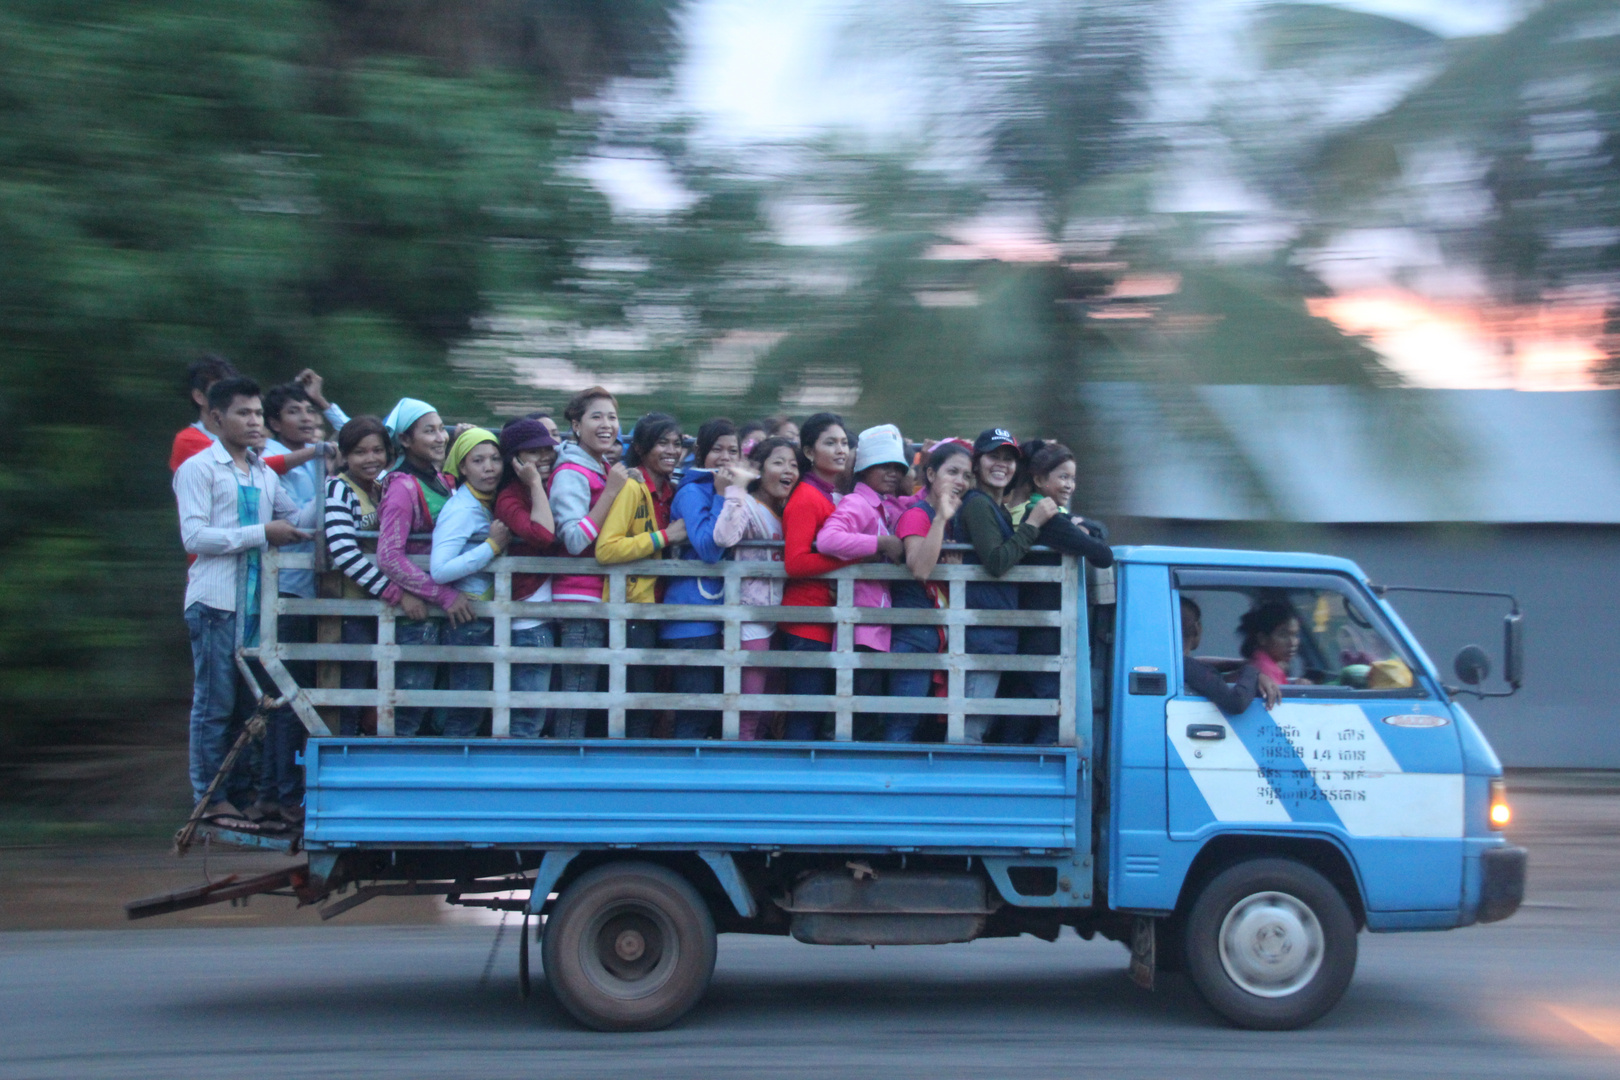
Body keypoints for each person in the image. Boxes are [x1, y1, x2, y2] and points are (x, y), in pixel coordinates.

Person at [173, 377, 316, 826]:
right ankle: (210, 798)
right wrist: (261, 534)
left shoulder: (261, 471)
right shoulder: (198, 469)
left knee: (245, 706)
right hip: (216, 602)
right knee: (213, 703)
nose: (254, 422)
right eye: (244, 413)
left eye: (257, 413)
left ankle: (236, 795)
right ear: (217, 418)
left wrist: (340, 481)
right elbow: (194, 537)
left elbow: (295, 518)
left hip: (255, 604)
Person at [953, 428, 1061, 743]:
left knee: (981, 725)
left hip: (994, 631)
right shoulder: (977, 504)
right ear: (976, 463)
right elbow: (998, 562)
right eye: (993, 457)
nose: (1002, 465)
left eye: (1009, 459)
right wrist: (1033, 523)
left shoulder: (996, 508)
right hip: (981, 633)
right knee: (970, 730)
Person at [1006, 440, 1115, 744]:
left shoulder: (1052, 514)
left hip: (1035, 632)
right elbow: (1102, 555)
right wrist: (1084, 532)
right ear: (1040, 480)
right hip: (1042, 636)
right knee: (1052, 717)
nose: (1070, 485)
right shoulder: (1047, 517)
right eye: (1062, 477)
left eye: (1072, 478)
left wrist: (1084, 529)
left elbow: (1097, 532)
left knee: (1021, 719)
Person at [376, 398, 471, 737]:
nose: (440, 437)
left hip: (440, 612)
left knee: (440, 709)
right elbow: (389, 555)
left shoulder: (441, 480)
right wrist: (442, 595)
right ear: (405, 440)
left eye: (441, 430)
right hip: (419, 616)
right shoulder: (402, 486)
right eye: (428, 431)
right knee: (410, 708)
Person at [323, 416, 421, 737]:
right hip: (352, 609)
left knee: (378, 693)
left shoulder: (382, 489)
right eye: (360, 452)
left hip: (378, 608)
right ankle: (346, 755)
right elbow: (344, 553)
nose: (370, 459)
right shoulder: (339, 489)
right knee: (353, 691)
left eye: (377, 450)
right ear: (345, 456)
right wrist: (395, 592)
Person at [814, 423, 913, 739]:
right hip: (860, 627)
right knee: (857, 718)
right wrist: (880, 545)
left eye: (897, 467)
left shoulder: (884, 505)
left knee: (867, 715)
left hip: (875, 627)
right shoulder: (858, 503)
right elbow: (828, 540)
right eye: (882, 465)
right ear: (864, 468)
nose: (892, 473)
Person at [595, 413, 688, 737]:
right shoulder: (633, 488)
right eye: (662, 442)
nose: (672, 450)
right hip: (633, 608)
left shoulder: (671, 490)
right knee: (637, 702)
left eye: (677, 444)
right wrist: (665, 537)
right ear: (640, 447)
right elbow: (606, 549)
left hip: (659, 606)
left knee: (654, 702)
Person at [548, 387, 632, 738]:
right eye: (596, 416)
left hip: (601, 597)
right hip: (579, 599)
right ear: (576, 425)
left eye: (612, 417)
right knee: (577, 698)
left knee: (592, 699)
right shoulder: (571, 471)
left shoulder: (600, 467)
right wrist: (612, 491)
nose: (606, 424)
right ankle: (566, 775)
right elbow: (574, 538)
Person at [660, 418, 745, 739]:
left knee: (714, 715)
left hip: (718, 617)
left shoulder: (730, 488)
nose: (725, 458)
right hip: (690, 619)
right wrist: (723, 495)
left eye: (732, 451)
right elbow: (709, 549)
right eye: (717, 450)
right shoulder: (692, 491)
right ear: (700, 453)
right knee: (696, 714)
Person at [712, 436, 797, 739]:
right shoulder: (748, 504)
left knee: (766, 709)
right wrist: (737, 489)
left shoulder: (786, 511)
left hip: (774, 620)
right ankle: (737, 774)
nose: (788, 470)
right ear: (759, 469)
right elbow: (723, 537)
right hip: (749, 620)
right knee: (746, 709)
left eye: (793, 464)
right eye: (778, 462)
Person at [888, 441, 973, 742]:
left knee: (922, 728)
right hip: (912, 637)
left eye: (966, 475)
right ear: (932, 474)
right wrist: (940, 519)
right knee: (902, 725)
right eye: (952, 472)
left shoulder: (952, 523)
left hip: (935, 635)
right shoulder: (918, 515)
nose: (960, 481)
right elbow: (920, 568)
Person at [430, 428, 511, 738]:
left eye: (494, 459)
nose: (489, 467)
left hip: (482, 616)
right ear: (462, 467)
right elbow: (439, 570)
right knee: (466, 710)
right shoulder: (461, 509)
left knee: (474, 707)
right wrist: (491, 546)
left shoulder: (484, 500)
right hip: (468, 620)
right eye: (478, 460)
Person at [777, 413, 852, 740]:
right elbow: (795, 562)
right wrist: (849, 559)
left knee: (815, 712)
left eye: (845, 443)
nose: (840, 450)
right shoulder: (807, 497)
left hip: (821, 619)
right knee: (805, 715)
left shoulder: (826, 495)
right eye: (830, 442)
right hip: (806, 620)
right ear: (809, 451)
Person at [494, 418, 560, 738]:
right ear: (516, 459)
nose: (545, 456)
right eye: (534, 452)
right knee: (527, 717)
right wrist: (534, 484)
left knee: (543, 716)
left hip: (548, 614)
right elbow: (544, 535)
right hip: (528, 621)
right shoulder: (510, 497)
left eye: (548, 449)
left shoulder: (552, 487)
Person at [169, 358, 335, 475]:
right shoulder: (188, 440)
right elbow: (247, 470)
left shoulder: (247, 437)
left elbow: (354, 434)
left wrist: (318, 400)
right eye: (219, 388)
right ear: (199, 396)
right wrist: (314, 451)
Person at [1182, 597, 1281, 714]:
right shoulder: (1191, 668)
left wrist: (1240, 664)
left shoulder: (1179, 665)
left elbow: (1197, 664)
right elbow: (1237, 702)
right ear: (1197, 628)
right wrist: (1252, 671)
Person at [1239, 600, 1310, 687]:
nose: (1292, 643)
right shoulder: (1265, 670)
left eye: (1295, 635)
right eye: (1283, 635)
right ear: (1262, 638)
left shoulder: (1270, 665)